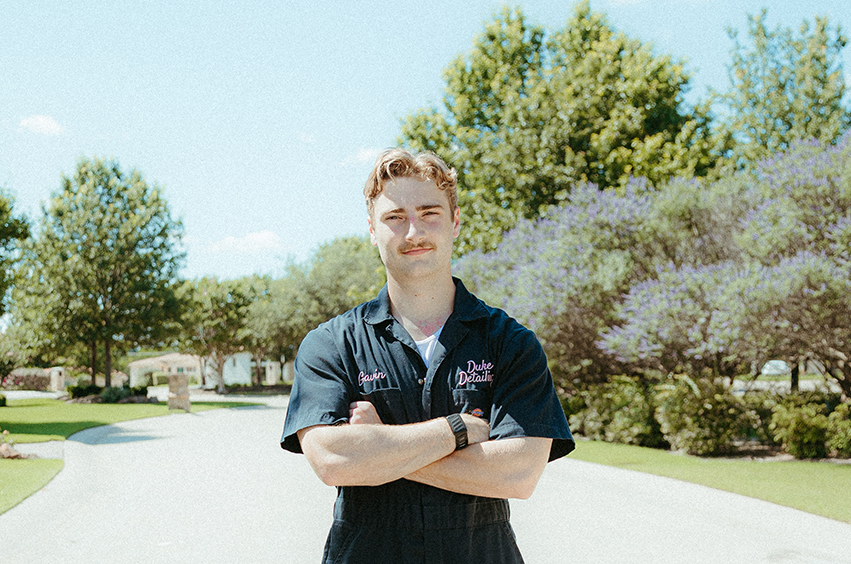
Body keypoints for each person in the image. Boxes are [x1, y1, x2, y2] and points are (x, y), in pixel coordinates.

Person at [281, 148, 574, 564]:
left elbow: (519, 473)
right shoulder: (331, 343)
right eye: (395, 217)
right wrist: (457, 431)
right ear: (372, 230)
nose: (413, 231)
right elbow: (333, 461)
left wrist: (378, 447)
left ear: (455, 222)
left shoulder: (509, 342)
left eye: (429, 213)